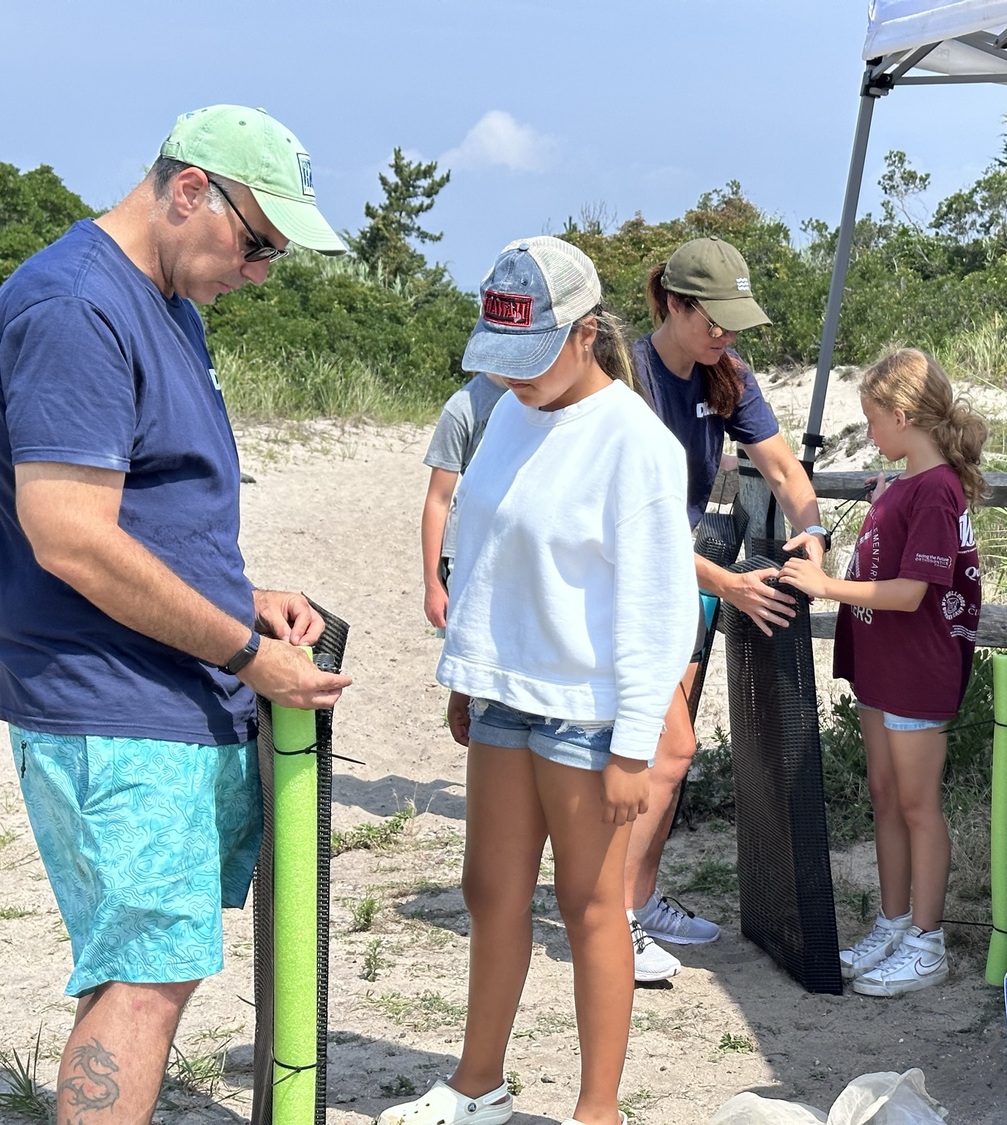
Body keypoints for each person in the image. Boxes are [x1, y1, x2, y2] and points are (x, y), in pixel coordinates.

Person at [0, 104, 352, 1122]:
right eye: (256, 244)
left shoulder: (165, 304)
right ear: (189, 188)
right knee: (144, 977)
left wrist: (243, 597)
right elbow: (67, 533)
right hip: (108, 702)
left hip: (160, 690)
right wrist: (247, 650)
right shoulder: (75, 306)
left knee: (159, 966)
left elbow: (147, 514)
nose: (260, 273)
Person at [378, 237, 697, 1125]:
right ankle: (478, 1082)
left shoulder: (635, 441)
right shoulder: (512, 412)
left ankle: (599, 1109)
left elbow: (658, 605)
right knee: (490, 889)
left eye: (531, 358)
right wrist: (466, 675)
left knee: (592, 905)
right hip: (504, 695)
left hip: (586, 714)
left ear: (587, 333)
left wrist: (635, 743)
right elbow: (482, 546)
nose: (513, 378)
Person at [625, 235, 827, 980]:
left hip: (679, 581)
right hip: (629, 584)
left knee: (661, 762)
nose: (727, 335)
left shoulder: (728, 377)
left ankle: (638, 902)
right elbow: (631, 531)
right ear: (674, 304)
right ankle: (612, 919)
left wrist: (810, 532)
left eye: (737, 321)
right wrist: (731, 583)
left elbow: (781, 466)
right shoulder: (627, 377)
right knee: (667, 752)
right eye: (715, 320)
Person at [780, 348, 985, 996]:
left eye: (873, 420)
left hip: (918, 669)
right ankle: (895, 921)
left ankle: (927, 940)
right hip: (882, 665)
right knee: (884, 794)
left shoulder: (936, 489)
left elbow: (910, 593)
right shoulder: (907, 486)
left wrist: (826, 585)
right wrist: (886, 499)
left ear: (901, 415)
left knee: (919, 805)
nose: (869, 433)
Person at [421, 373, 505, 630]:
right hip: (468, 553)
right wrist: (433, 584)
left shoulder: (546, 396)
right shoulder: (463, 407)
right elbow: (438, 499)